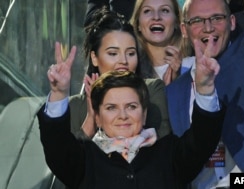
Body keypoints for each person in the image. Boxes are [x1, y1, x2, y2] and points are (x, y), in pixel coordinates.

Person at [37, 47, 225, 188]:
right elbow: (56, 147)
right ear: (98, 118)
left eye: (131, 106)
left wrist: (205, 88)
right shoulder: (85, 159)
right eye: (111, 108)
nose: (123, 115)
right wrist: (59, 93)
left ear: (144, 115)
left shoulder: (169, 154)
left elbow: (203, 139)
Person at [166, 0, 244, 188]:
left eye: (217, 18)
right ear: (184, 30)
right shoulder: (172, 92)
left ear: (233, 22)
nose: (208, 27)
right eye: (197, 20)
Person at [68, 7, 171, 140]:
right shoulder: (74, 106)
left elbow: (163, 148)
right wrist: (91, 120)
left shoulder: (152, 91)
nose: (124, 61)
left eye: (130, 53)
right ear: (94, 58)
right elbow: (68, 160)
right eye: (113, 53)